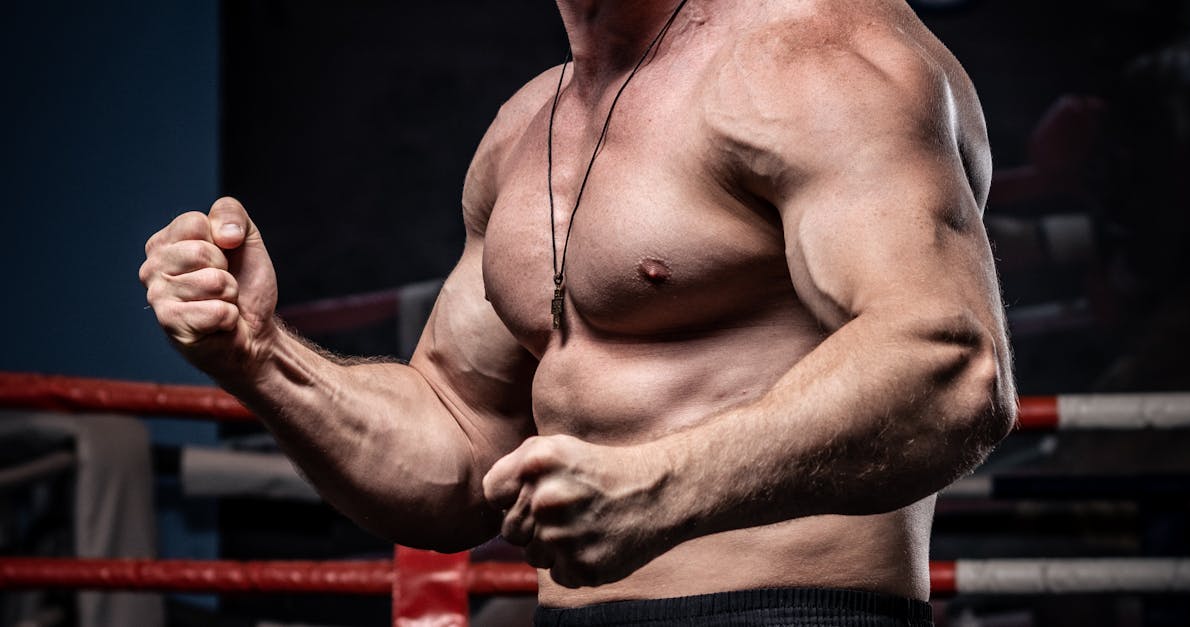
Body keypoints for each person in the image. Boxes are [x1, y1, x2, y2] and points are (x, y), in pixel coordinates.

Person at [140, 0, 1015, 624]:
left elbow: (951, 365)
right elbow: (453, 454)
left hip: (790, 610)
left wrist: (662, 487)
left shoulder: (819, 54)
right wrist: (258, 357)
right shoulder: (528, 127)